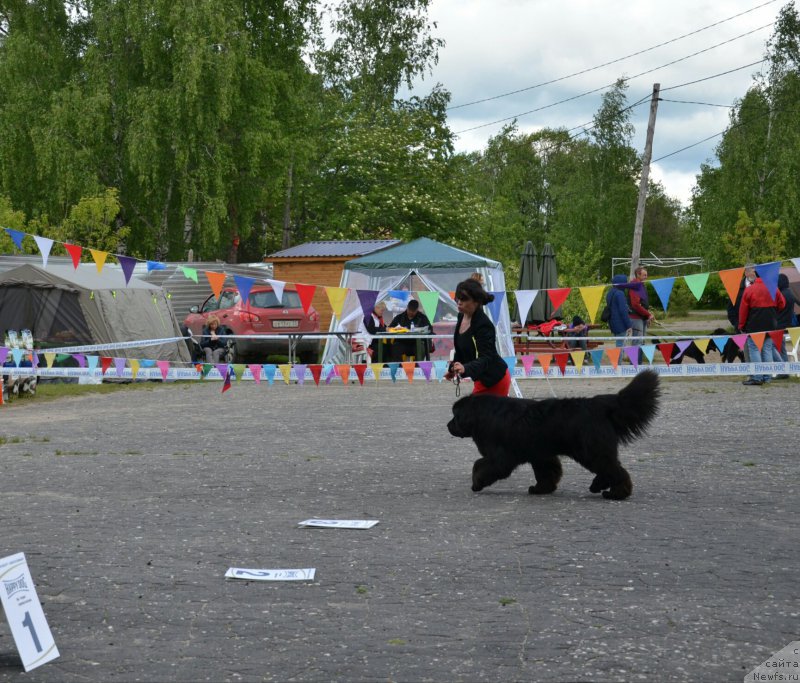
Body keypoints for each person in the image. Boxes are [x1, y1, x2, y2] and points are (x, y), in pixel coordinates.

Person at [443, 278, 511, 396]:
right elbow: (461, 349)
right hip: (481, 379)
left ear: (476, 301)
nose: (459, 301)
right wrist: (453, 369)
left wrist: (466, 368)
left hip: (494, 379)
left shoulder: (483, 325)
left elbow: (486, 357)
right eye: (458, 297)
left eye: (464, 299)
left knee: (471, 413)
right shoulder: (461, 317)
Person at [738, 265, 786, 386]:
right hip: (771, 324)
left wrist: (741, 325)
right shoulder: (773, 288)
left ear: (757, 276)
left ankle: (757, 377)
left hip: (754, 325)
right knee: (767, 350)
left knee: (754, 349)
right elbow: (782, 304)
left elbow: (743, 310)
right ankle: (767, 377)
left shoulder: (749, 290)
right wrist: (774, 312)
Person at [770, 272, 796, 376]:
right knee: (781, 348)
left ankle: (782, 370)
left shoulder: (782, 295)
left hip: (779, 325)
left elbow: (775, 309)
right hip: (786, 324)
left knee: (772, 347)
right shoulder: (790, 294)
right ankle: (785, 370)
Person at [628, 266, 655, 346]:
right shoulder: (635, 286)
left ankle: (639, 358)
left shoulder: (641, 285)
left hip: (642, 317)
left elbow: (642, 303)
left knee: (642, 341)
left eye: (646, 275)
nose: (646, 277)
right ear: (638, 275)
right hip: (636, 317)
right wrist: (648, 314)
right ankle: (635, 359)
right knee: (637, 342)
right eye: (644, 275)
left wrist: (647, 314)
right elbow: (635, 304)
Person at [607, 274, 633, 348]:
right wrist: (629, 325)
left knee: (619, 344)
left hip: (612, 322)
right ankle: (618, 360)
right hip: (620, 323)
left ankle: (617, 359)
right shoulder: (620, 293)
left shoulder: (609, 293)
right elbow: (623, 311)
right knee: (621, 346)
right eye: (625, 282)